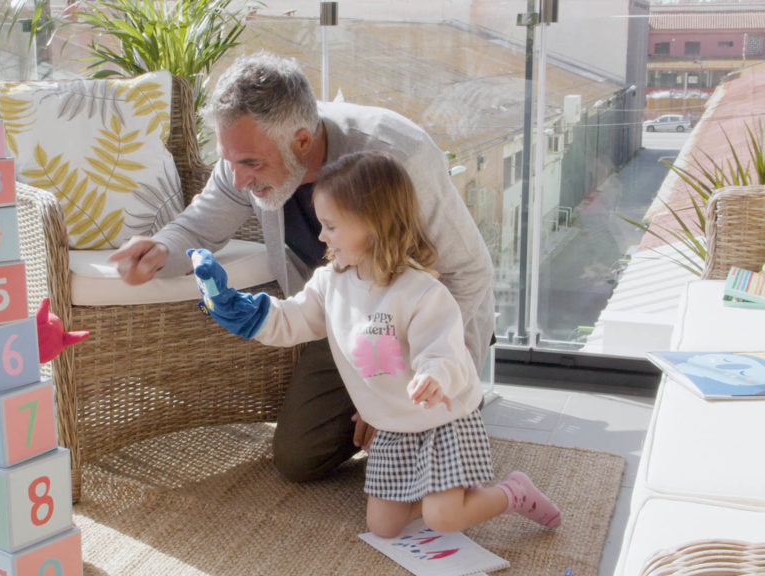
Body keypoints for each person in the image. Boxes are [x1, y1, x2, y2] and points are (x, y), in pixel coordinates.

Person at [109, 52, 495, 482]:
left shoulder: (399, 157)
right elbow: (198, 227)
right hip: (344, 322)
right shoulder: (244, 155)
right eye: (229, 160)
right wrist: (160, 248)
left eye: (251, 165)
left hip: (425, 327)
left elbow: (469, 274)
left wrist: (402, 403)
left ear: (302, 142)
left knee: (439, 461)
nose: (237, 180)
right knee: (298, 457)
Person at [190, 151, 559, 537]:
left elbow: (443, 349)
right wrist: (242, 311)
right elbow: (293, 318)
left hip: (440, 420)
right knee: (383, 527)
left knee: (442, 520)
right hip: (393, 427)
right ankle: (447, 488)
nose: (321, 236)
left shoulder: (420, 292)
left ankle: (512, 492)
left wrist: (433, 377)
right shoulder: (330, 282)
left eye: (331, 226)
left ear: (373, 225)